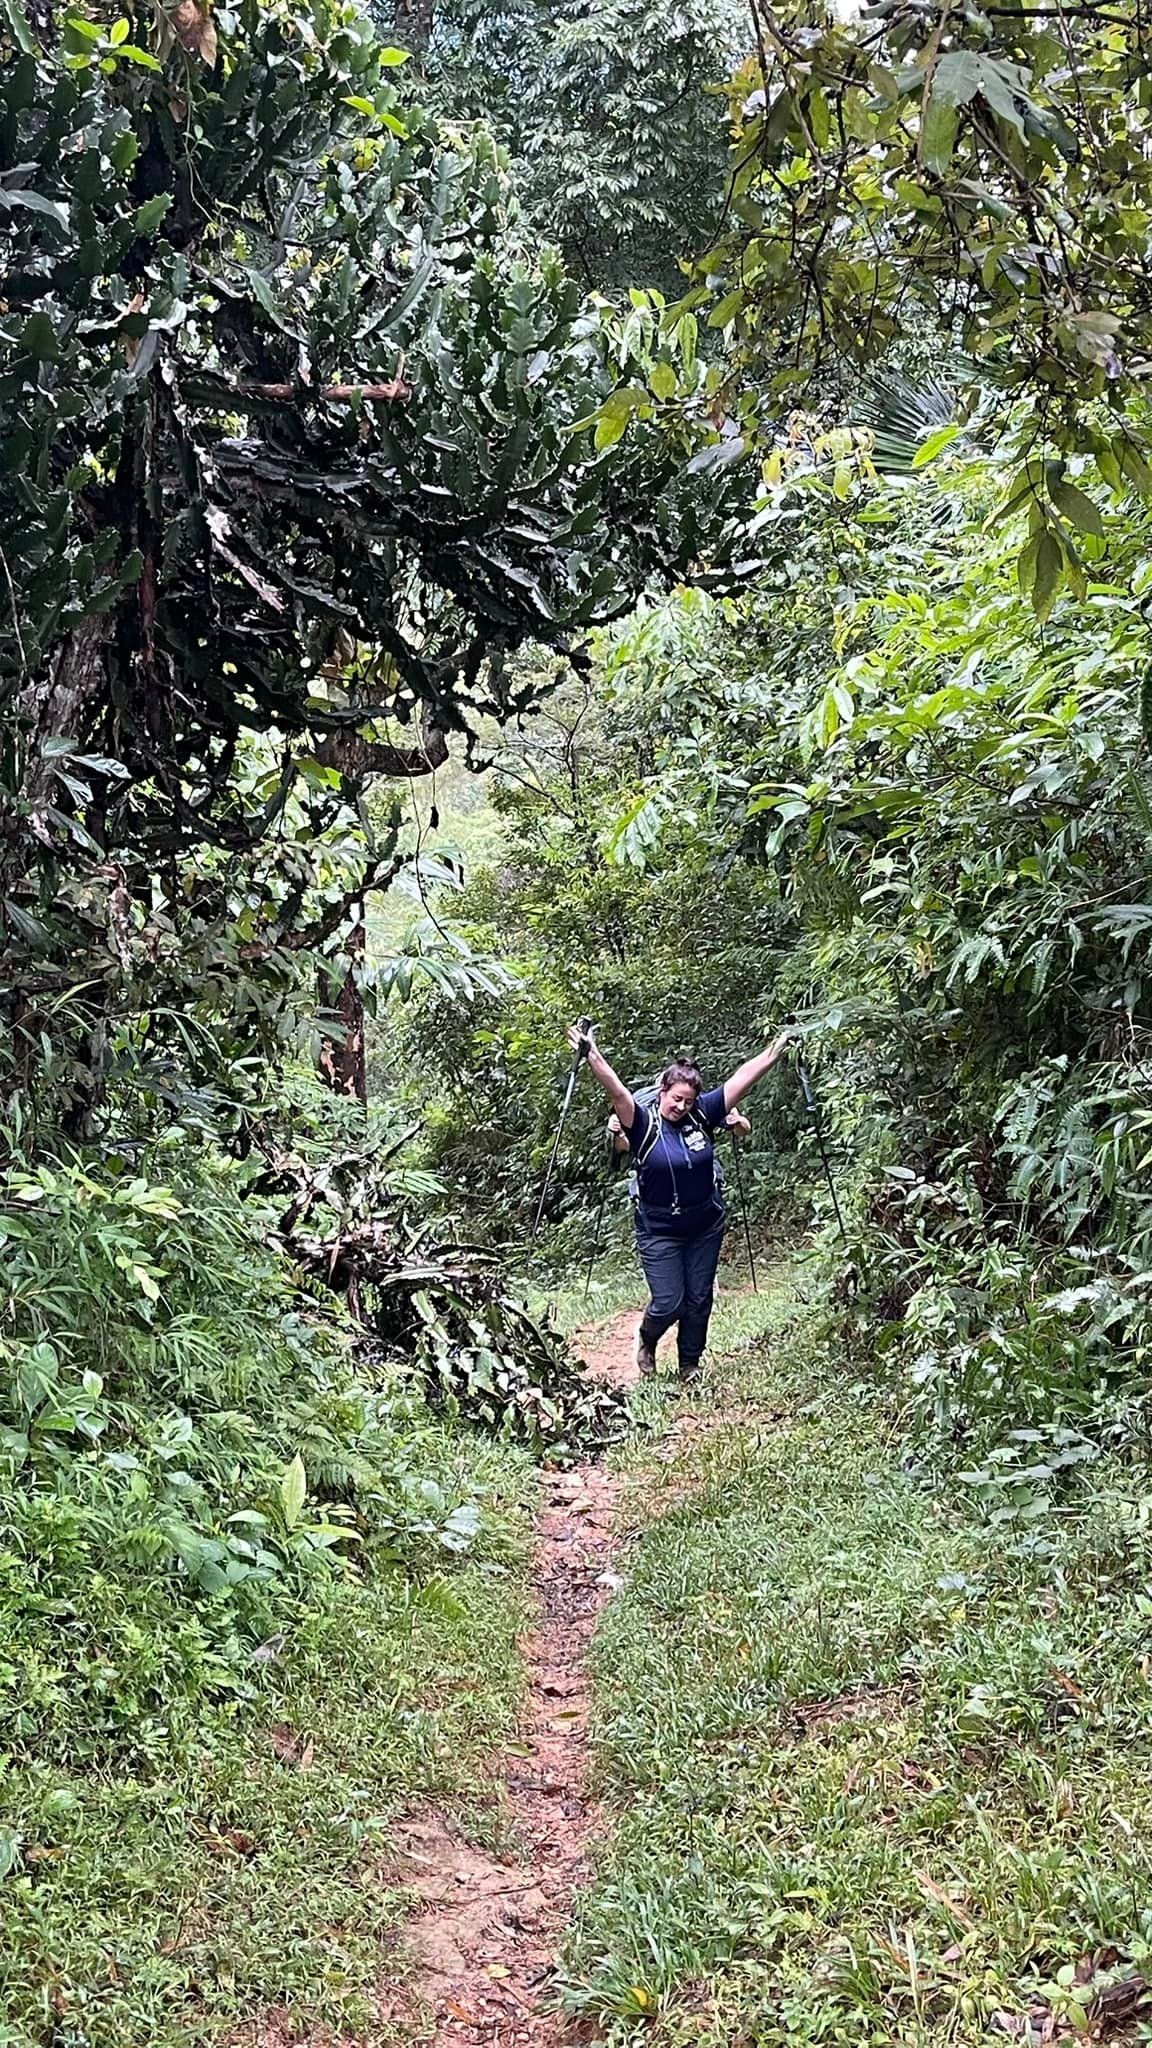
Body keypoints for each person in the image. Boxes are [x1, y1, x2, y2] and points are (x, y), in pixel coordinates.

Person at [567, 1023, 793, 1381]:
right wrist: (590, 1052)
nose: (681, 1106)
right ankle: (647, 1338)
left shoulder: (703, 1112)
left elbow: (743, 1077)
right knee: (669, 1301)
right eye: (676, 1098)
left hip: (705, 1224)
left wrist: (776, 1049)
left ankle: (689, 1364)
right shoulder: (642, 1122)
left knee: (699, 1300)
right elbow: (617, 1090)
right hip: (659, 1229)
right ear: (662, 1091)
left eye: (688, 1101)